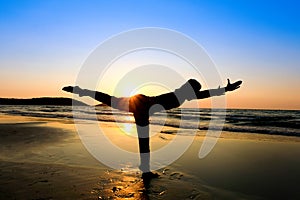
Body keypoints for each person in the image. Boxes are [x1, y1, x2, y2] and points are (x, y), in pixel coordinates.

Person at [62, 79, 242, 179]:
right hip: (142, 104)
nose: (196, 92)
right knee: (141, 137)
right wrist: (225, 89)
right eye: (195, 89)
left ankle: (145, 169)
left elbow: (202, 94)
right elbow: (203, 94)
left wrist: (225, 89)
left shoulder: (182, 93)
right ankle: (145, 170)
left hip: (142, 105)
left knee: (140, 136)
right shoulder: (182, 94)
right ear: (190, 88)